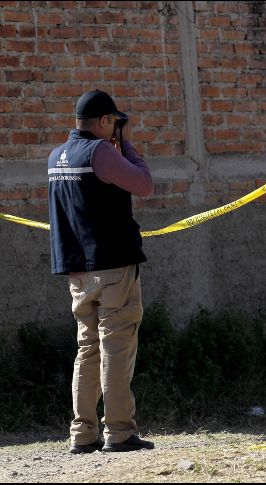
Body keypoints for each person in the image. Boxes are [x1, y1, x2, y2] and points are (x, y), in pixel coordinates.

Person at [48, 89, 155, 453]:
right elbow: (144, 183)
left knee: (87, 348)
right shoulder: (101, 152)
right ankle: (120, 432)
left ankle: (82, 433)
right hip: (112, 268)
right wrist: (126, 144)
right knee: (116, 348)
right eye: (115, 123)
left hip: (77, 272)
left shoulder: (57, 157)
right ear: (106, 121)